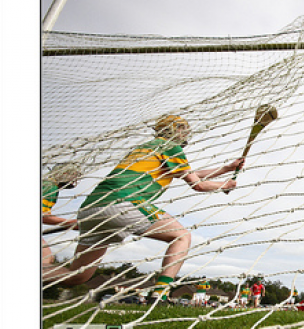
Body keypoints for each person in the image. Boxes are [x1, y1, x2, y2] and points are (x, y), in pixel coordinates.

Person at [43, 115, 244, 303]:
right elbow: (197, 184)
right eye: (183, 129)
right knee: (181, 236)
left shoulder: (147, 148)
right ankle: (161, 294)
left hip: (90, 209)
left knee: (76, 277)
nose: (186, 134)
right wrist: (225, 185)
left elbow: (190, 173)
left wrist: (227, 168)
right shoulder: (171, 147)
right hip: (124, 203)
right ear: (173, 131)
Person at [41, 163, 82, 264]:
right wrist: (68, 223)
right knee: (46, 259)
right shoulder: (49, 186)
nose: (75, 180)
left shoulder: (49, 185)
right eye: (73, 175)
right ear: (63, 173)